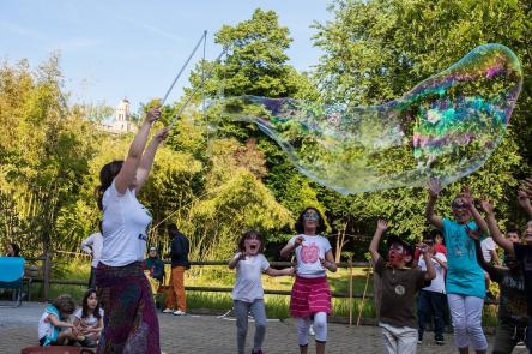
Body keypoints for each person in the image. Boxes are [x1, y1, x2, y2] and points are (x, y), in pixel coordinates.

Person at [95, 105, 168, 354]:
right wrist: (147, 122)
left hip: (135, 271)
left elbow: (144, 165)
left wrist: (156, 140)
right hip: (115, 275)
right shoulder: (114, 196)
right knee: (117, 335)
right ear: (118, 177)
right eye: (128, 171)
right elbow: (134, 156)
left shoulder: (131, 198)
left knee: (146, 328)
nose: (136, 173)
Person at [426, 179, 489, 354]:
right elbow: (430, 217)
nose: (460, 210)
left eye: (464, 207)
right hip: (453, 281)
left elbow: (486, 230)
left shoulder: (475, 226)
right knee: (459, 325)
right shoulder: (448, 225)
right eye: (457, 207)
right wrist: (432, 198)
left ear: (469, 210)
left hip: (474, 281)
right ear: (453, 210)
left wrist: (473, 207)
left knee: (473, 325)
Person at [369, 219, 435, 354]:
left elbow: (431, 275)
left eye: (397, 249)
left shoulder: (413, 274)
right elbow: (372, 250)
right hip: (387, 325)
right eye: (391, 248)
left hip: (407, 329)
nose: (392, 251)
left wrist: (426, 256)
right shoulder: (384, 268)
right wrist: (379, 230)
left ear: (407, 258)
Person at [280, 207, 337, 354]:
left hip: (320, 285)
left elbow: (334, 267)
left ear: (318, 222)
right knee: (302, 326)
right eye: (307, 215)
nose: (311, 218)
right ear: (302, 220)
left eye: (315, 216)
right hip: (301, 284)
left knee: (320, 322)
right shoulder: (296, 238)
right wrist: (294, 245)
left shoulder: (324, 241)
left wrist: (327, 264)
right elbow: (283, 254)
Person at [481, 191, 532, 354]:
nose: (529, 229)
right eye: (527, 227)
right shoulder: (523, 252)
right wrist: (489, 215)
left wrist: (528, 207)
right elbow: (498, 238)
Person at [229, 229, 294, 354]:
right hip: (240, 298)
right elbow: (231, 265)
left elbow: (270, 272)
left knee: (261, 324)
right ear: (244, 243)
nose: (253, 241)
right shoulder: (239, 256)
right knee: (242, 329)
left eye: (256, 239)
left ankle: (257, 349)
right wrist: (237, 259)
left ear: (259, 244)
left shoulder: (261, 258)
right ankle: (240, 351)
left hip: (257, 298)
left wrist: (286, 271)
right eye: (250, 238)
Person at [472, 222, 526, 354]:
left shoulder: (528, 273)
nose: (511, 260)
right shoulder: (502, 273)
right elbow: (482, 263)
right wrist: (476, 242)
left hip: (527, 325)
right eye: (508, 258)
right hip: (506, 325)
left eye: (514, 258)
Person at [416, 236, 447, 346]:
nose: (428, 246)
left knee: (438, 314)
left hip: (438, 289)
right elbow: (418, 272)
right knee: (420, 312)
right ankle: (419, 335)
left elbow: (447, 267)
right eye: (426, 244)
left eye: (430, 244)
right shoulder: (421, 257)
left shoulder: (441, 255)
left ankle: (438, 336)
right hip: (424, 289)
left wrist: (436, 259)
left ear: (434, 245)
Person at [163, 222, 190, 316]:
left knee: (178, 286)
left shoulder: (177, 239)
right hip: (178, 264)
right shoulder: (184, 238)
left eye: (169, 232)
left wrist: (169, 254)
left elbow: (178, 252)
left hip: (178, 264)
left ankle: (182, 308)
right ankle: (170, 306)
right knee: (172, 285)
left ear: (172, 230)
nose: (168, 234)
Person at [81, 221, 103, 289]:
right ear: (100, 227)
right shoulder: (95, 236)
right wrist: (90, 252)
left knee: (106, 289)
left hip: (110, 267)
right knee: (93, 288)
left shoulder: (113, 237)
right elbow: (83, 244)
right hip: (96, 266)